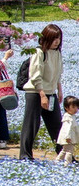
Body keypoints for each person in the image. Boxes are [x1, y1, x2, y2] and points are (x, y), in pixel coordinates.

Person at [20, 24, 64, 161]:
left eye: (58, 38)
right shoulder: (39, 52)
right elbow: (35, 76)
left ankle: (64, 155)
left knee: (57, 126)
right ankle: (25, 156)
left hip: (51, 93)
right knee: (32, 125)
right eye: (54, 38)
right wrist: (42, 94)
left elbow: (58, 74)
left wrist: (59, 90)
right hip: (35, 92)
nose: (57, 41)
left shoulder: (57, 53)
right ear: (46, 38)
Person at [55, 96, 79, 165]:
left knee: (64, 150)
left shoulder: (72, 116)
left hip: (69, 137)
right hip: (68, 138)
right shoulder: (68, 117)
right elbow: (66, 128)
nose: (76, 109)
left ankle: (57, 161)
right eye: (73, 107)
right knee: (69, 151)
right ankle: (67, 164)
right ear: (66, 108)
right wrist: (68, 137)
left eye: (77, 107)